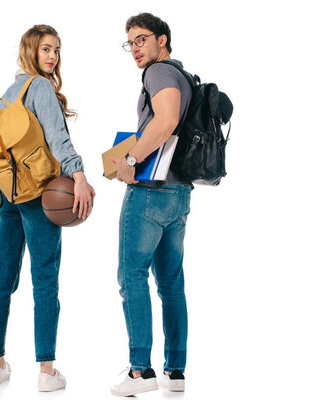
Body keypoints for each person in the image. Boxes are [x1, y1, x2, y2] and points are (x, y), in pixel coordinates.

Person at [0, 24, 95, 392]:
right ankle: (47, 371)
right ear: (30, 50)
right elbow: (57, 138)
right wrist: (78, 176)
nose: (52, 57)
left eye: (57, 51)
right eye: (46, 49)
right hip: (38, 195)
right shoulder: (41, 88)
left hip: (5, 195)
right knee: (45, 279)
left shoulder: (7, 94)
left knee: (3, 277)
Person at [110, 13, 193, 397]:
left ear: (162, 40)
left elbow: (166, 121)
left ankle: (140, 372)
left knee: (132, 277)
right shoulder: (182, 74)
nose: (135, 49)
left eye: (142, 40)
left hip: (150, 192)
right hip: (178, 194)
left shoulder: (158, 73)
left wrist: (129, 162)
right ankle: (175, 372)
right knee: (171, 284)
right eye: (131, 43)